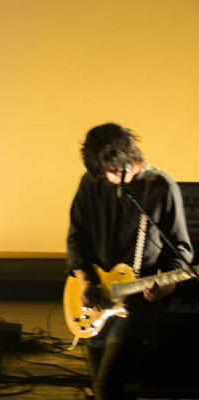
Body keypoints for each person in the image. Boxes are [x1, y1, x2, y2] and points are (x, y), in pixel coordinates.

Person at [66, 122, 194, 399]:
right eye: (103, 173)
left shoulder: (162, 188)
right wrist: (84, 280)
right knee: (104, 385)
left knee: (107, 384)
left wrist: (168, 285)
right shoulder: (91, 182)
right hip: (95, 294)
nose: (108, 178)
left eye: (112, 171)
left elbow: (182, 251)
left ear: (128, 160)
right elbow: (76, 237)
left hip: (136, 299)